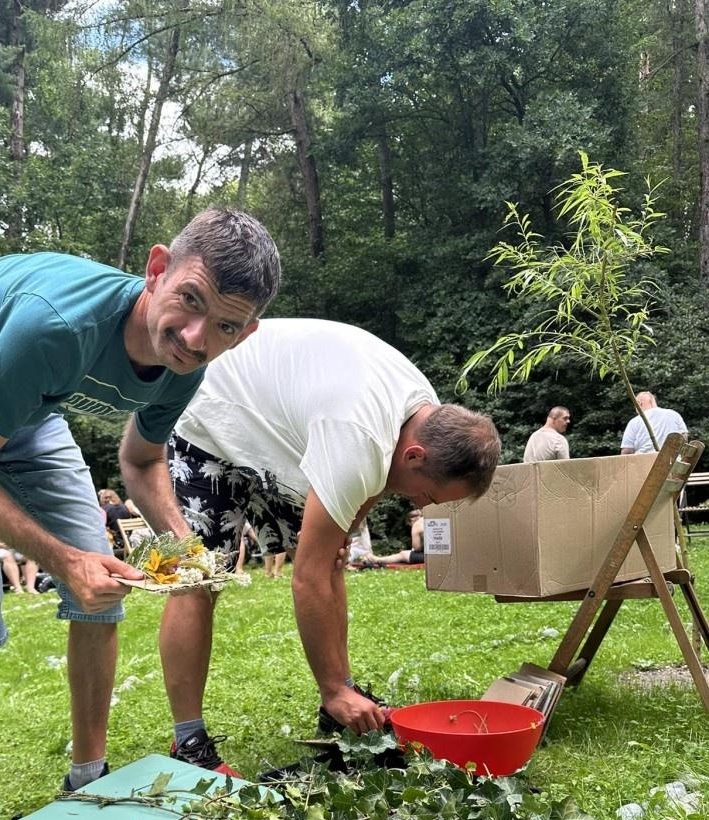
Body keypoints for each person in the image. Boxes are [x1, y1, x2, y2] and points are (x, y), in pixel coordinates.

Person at [0, 207, 280, 820]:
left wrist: (186, 547)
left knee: (104, 592)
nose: (196, 337)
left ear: (245, 333)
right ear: (156, 270)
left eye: (224, 326)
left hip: (29, 410)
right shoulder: (55, 327)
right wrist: (63, 561)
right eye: (189, 302)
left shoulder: (188, 366)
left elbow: (141, 461)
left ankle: (88, 776)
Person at [160, 318, 501, 773]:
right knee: (200, 581)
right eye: (428, 496)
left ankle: (342, 695)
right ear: (415, 457)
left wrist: (347, 527)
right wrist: (331, 687)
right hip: (208, 416)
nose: (420, 504)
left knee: (331, 560)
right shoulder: (358, 438)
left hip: (277, 428)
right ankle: (189, 743)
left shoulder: (426, 416)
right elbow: (307, 578)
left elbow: (374, 486)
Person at [621, 391, 687, 454]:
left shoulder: (635, 421)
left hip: (644, 462)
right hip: (672, 461)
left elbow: (627, 450)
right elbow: (684, 438)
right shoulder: (674, 414)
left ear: (639, 403)